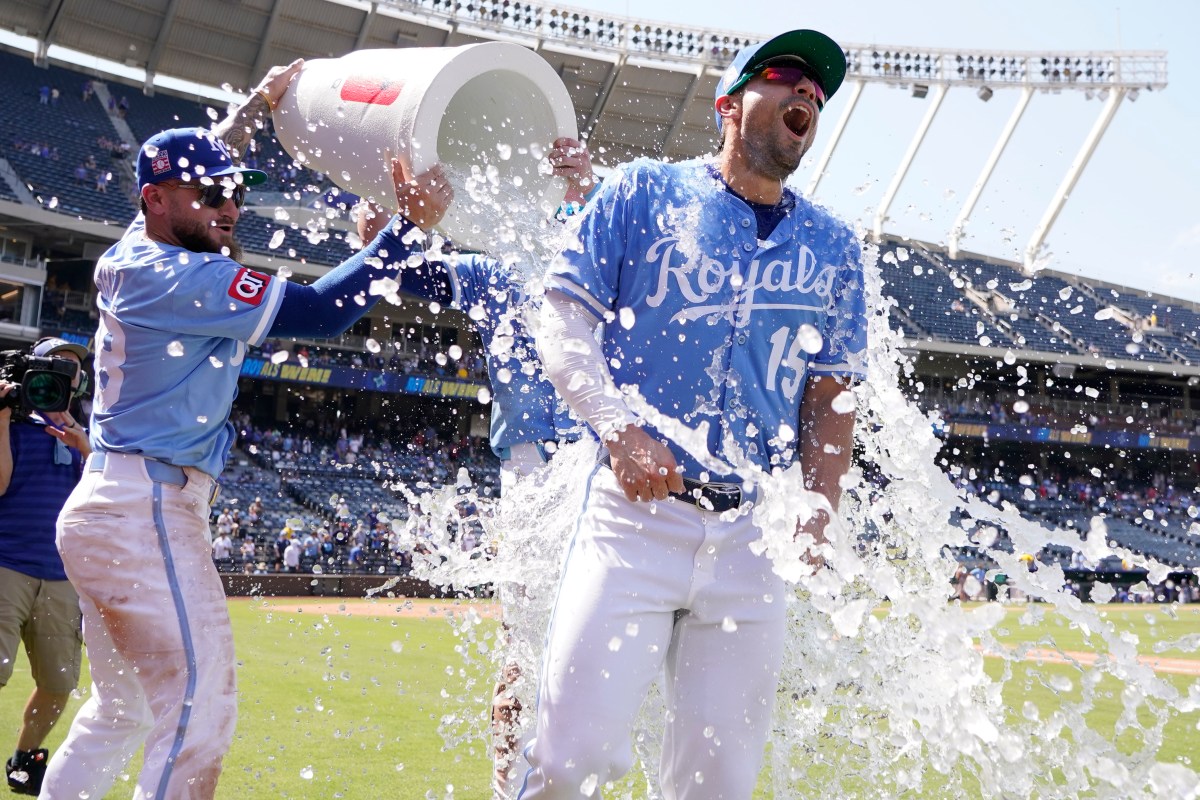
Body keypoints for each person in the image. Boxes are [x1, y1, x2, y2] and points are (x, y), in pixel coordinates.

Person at [42, 59, 452, 799]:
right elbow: (325, 313)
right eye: (211, 196)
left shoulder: (144, 247)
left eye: (236, 192)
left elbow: (189, 173)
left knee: (121, 711)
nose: (230, 207)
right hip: (146, 511)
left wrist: (254, 110)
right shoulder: (178, 273)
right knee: (198, 713)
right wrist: (407, 227)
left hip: (113, 503)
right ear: (156, 201)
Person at [522, 29, 866, 798]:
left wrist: (819, 507)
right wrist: (617, 428)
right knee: (568, 759)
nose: (805, 94)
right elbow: (562, 321)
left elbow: (832, 391)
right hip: (634, 513)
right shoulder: (642, 191)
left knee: (719, 784)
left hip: (755, 533)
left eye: (817, 92)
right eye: (784, 78)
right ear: (730, 105)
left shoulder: (836, 247)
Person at [357, 138, 596, 794]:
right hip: (531, 474)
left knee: (596, 655)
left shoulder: (612, 280)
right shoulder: (501, 276)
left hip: (602, 470)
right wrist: (385, 235)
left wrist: (584, 187)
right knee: (521, 652)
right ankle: (507, 789)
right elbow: (409, 276)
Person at [0, 337, 90, 796]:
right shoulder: (11, 417)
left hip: (61, 575)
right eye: (54, 364)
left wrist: (85, 445)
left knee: (58, 684)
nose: (63, 372)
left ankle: (24, 758)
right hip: (6, 562)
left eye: (72, 367)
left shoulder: (92, 431)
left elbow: (105, 494)